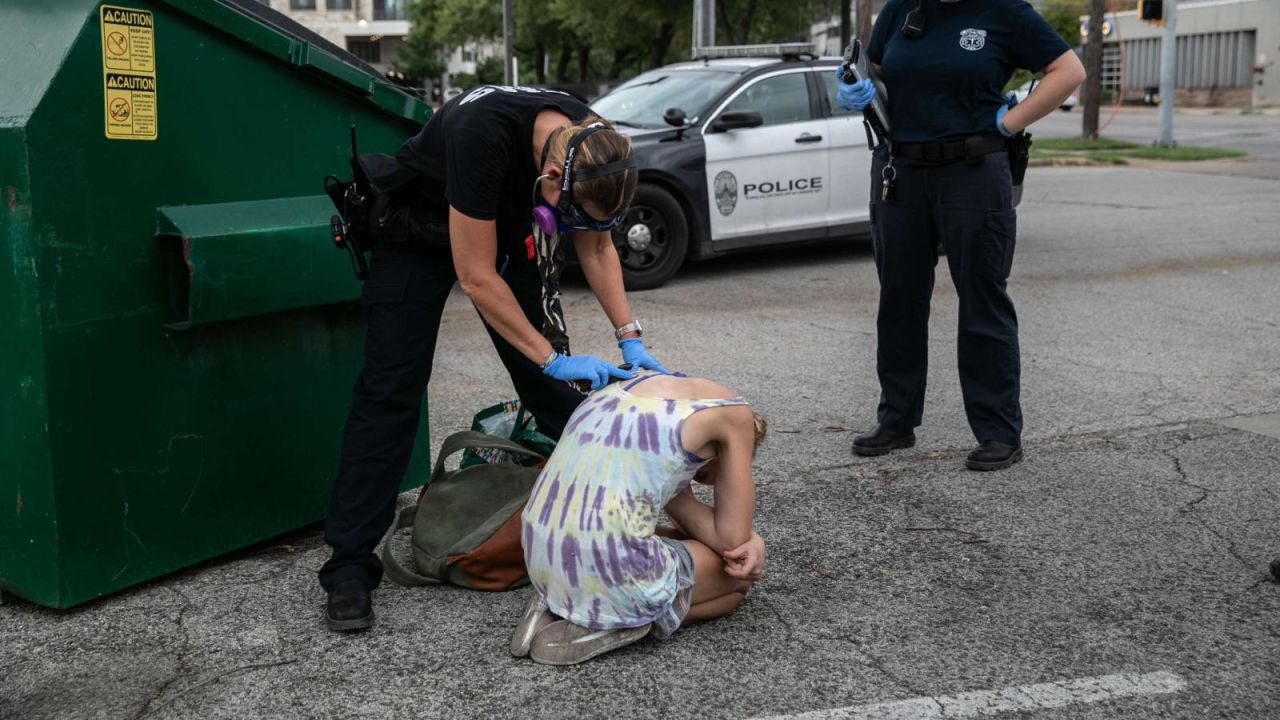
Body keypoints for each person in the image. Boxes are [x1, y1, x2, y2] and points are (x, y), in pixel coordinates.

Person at [320, 84, 671, 631]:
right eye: (569, 214)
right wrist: (550, 357)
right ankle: (348, 568)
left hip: (498, 233)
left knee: (550, 389)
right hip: (417, 230)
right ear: (553, 179)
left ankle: (630, 517)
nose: (572, 226)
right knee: (392, 389)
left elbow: (598, 245)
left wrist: (629, 337)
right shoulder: (479, 133)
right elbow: (475, 275)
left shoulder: (592, 138)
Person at [835, 0, 1086, 470]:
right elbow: (876, 70)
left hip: (973, 168)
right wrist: (856, 87)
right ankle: (897, 419)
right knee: (899, 300)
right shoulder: (900, 10)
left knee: (981, 298)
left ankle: (998, 432)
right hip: (899, 169)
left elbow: (1068, 70)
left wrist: (1010, 122)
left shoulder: (1004, 11)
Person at [509, 371, 768, 665]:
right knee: (737, 585)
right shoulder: (735, 416)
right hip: (615, 570)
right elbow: (733, 541)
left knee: (647, 538)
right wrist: (755, 541)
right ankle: (617, 623)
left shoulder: (623, 390)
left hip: (543, 558)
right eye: (703, 475)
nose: (695, 481)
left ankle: (556, 606)